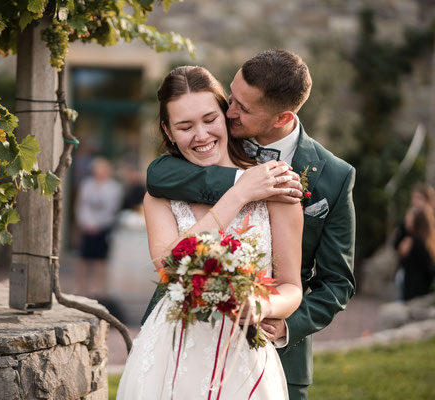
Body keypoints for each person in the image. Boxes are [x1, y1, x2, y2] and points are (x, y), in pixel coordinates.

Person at [141, 50, 356, 400]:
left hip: (270, 348)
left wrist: (277, 317)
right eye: (230, 97)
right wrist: (244, 186)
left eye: (240, 107)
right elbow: (158, 174)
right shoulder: (214, 139)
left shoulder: (332, 177)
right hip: (178, 346)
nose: (229, 112)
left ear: (281, 117)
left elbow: (336, 282)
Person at [117, 66, 304, 399]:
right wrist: (239, 194)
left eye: (209, 119)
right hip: (170, 351)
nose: (201, 136)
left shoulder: (276, 188)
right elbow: (169, 265)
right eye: (185, 127)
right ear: (168, 131)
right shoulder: (159, 196)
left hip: (243, 355)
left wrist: (261, 305)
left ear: (226, 116)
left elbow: (291, 287)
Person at [74, 157, 123, 298]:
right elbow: (81, 205)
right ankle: (80, 287)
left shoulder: (114, 187)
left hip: (103, 228)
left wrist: (98, 224)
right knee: (83, 258)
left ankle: (99, 288)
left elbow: (111, 209)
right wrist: (86, 222)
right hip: (86, 227)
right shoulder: (86, 185)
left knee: (101, 260)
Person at [396, 206, 435, 300]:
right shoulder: (417, 240)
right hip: (412, 293)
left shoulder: (417, 243)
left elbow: (429, 269)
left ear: (417, 221)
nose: (406, 219)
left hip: (417, 296)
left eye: (409, 216)